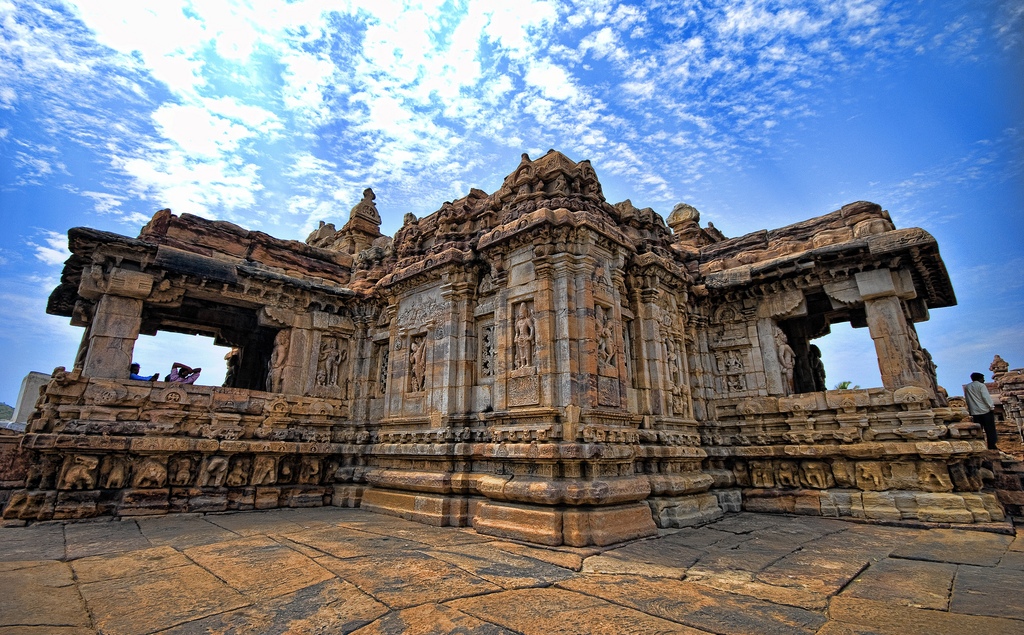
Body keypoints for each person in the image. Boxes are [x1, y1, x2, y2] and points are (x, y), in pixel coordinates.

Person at [964, 372, 998, 451]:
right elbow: (985, 397)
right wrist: (992, 407)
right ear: (979, 379)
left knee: (978, 431)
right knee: (990, 430)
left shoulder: (968, 387)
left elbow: (967, 399)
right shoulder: (981, 385)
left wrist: (970, 409)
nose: (984, 380)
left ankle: (980, 446)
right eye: (982, 378)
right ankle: (992, 446)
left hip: (975, 412)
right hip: (985, 411)